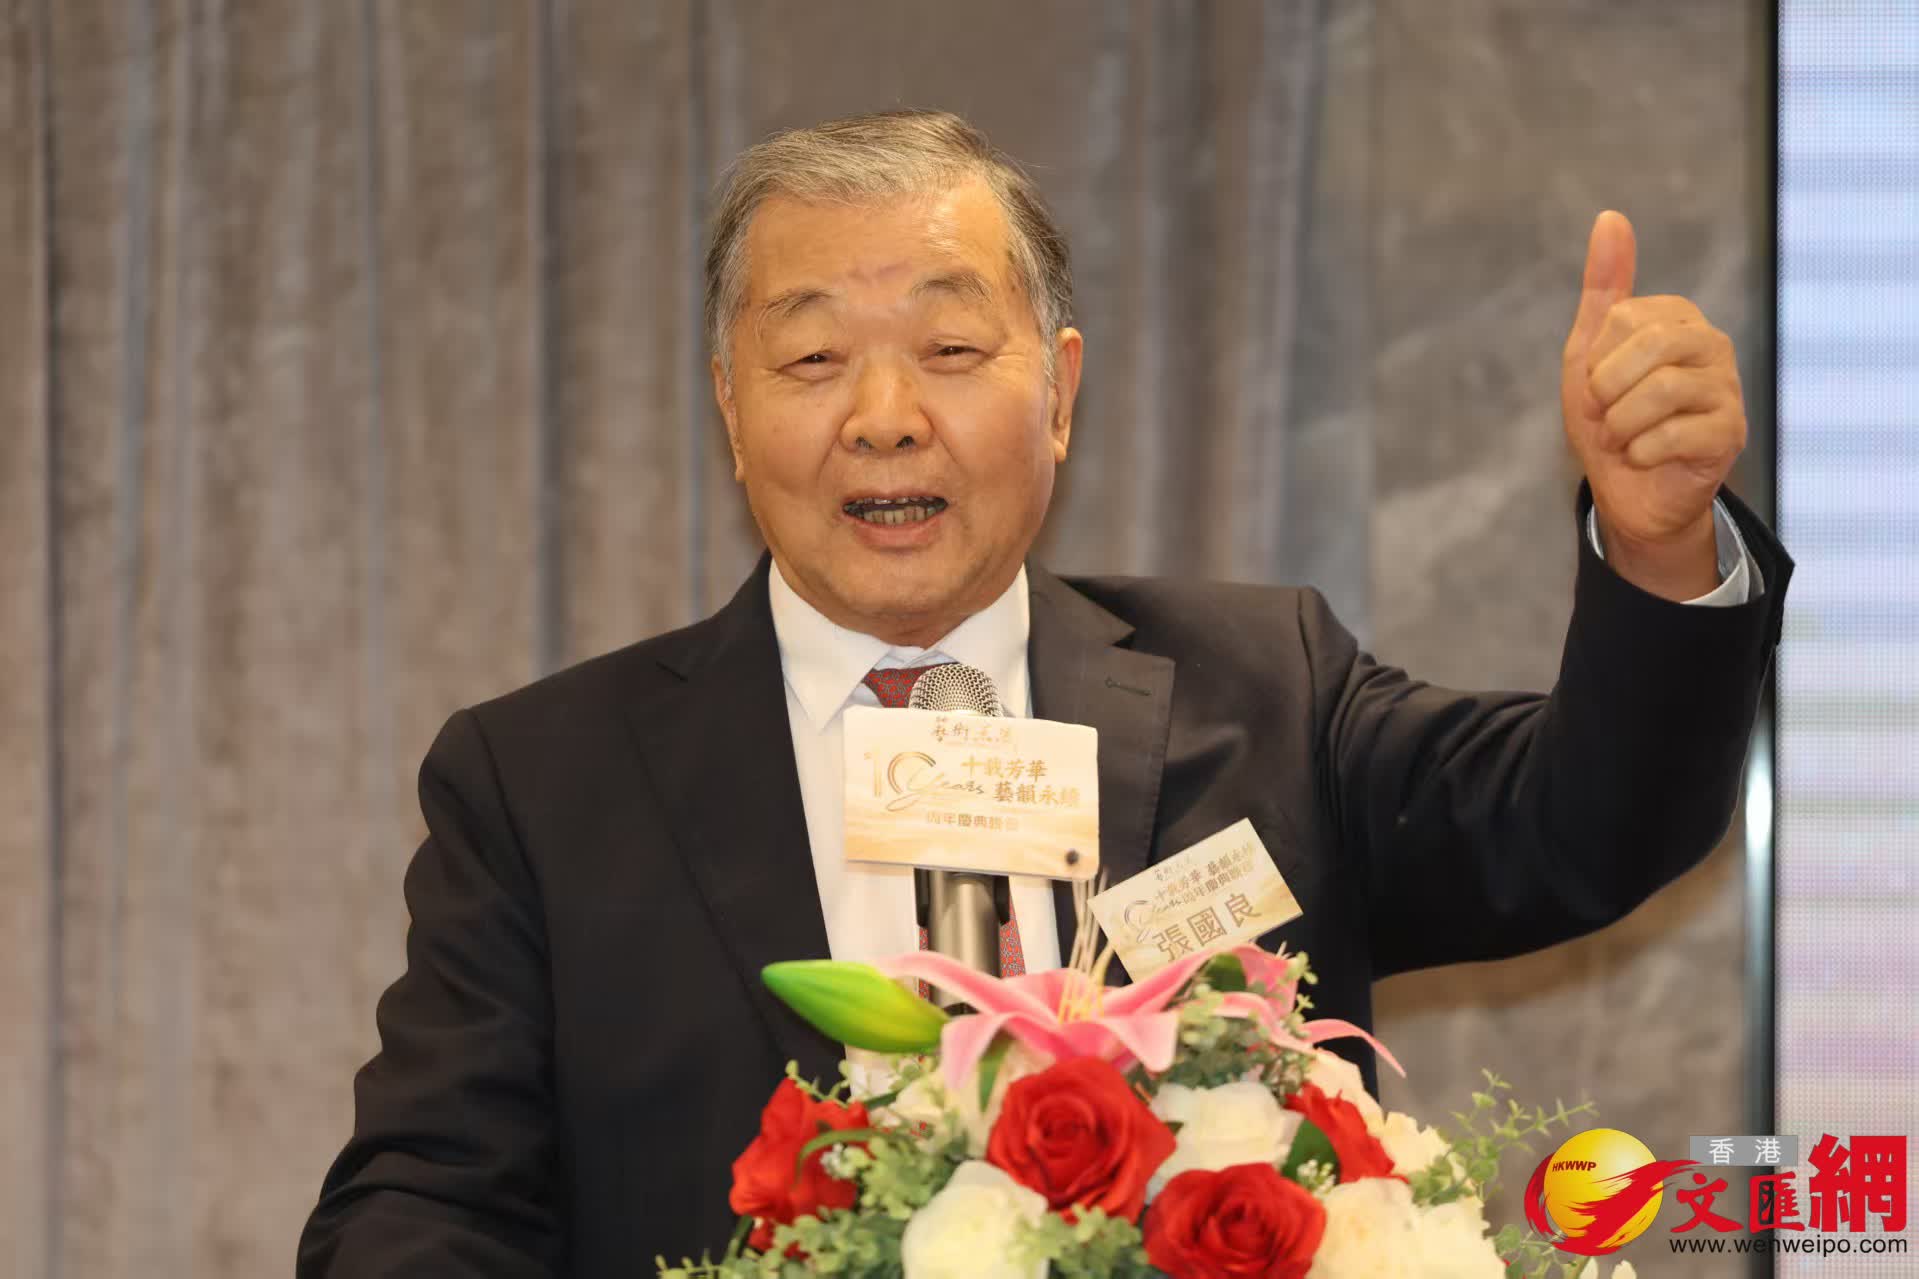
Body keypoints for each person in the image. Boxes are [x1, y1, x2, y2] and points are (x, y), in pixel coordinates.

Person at [297, 110, 1790, 1275]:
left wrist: (1660, 549)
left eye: (951, 349)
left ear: (1061, 393)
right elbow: (425, 1207)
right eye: (812, 357)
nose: (886, 418)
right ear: (732, 413)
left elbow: (1591, 825)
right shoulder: (545, 785)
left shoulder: (1265, 691)